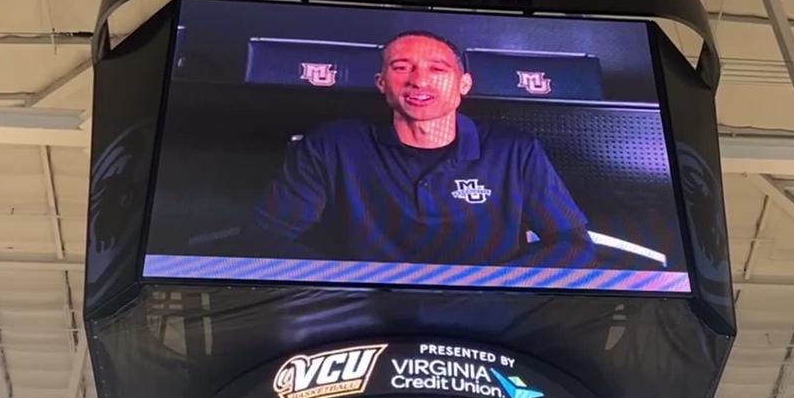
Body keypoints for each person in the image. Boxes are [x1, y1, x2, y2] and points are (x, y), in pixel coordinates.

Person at [252, 30, 596, 268]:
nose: (419, 80)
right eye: (402, 68)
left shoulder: (515, 151)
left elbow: (573, 246)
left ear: (464, 85)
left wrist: (495, 289)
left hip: (488, 320)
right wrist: (354, 285)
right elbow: (264, 238)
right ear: (382, 84)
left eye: (437, 69)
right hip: (361, 316)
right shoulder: (331, 144)